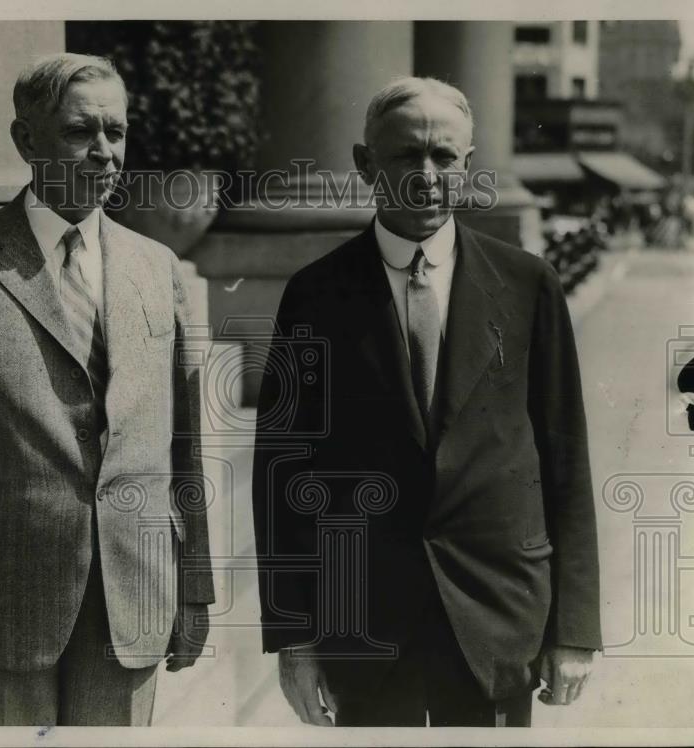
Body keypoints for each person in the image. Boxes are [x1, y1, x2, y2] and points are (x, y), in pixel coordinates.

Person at [0, 53, 215, 726]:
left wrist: (195, 588)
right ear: (27, 141)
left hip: (134, 593)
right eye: (80, 132)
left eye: (116, 133)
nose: (105, 153)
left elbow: (186, 446)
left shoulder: (158, 268)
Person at [252, 77, 602, 727]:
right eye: (405, 156)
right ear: (365, 165)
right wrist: (294, 641)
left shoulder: (528, 286)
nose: (426, 175)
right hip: (365, 629)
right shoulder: (316, 295)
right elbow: (281, 477)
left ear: (467, 167)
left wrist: (574, 629)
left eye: (444, 158)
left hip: (497, 618)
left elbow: (566, 463)